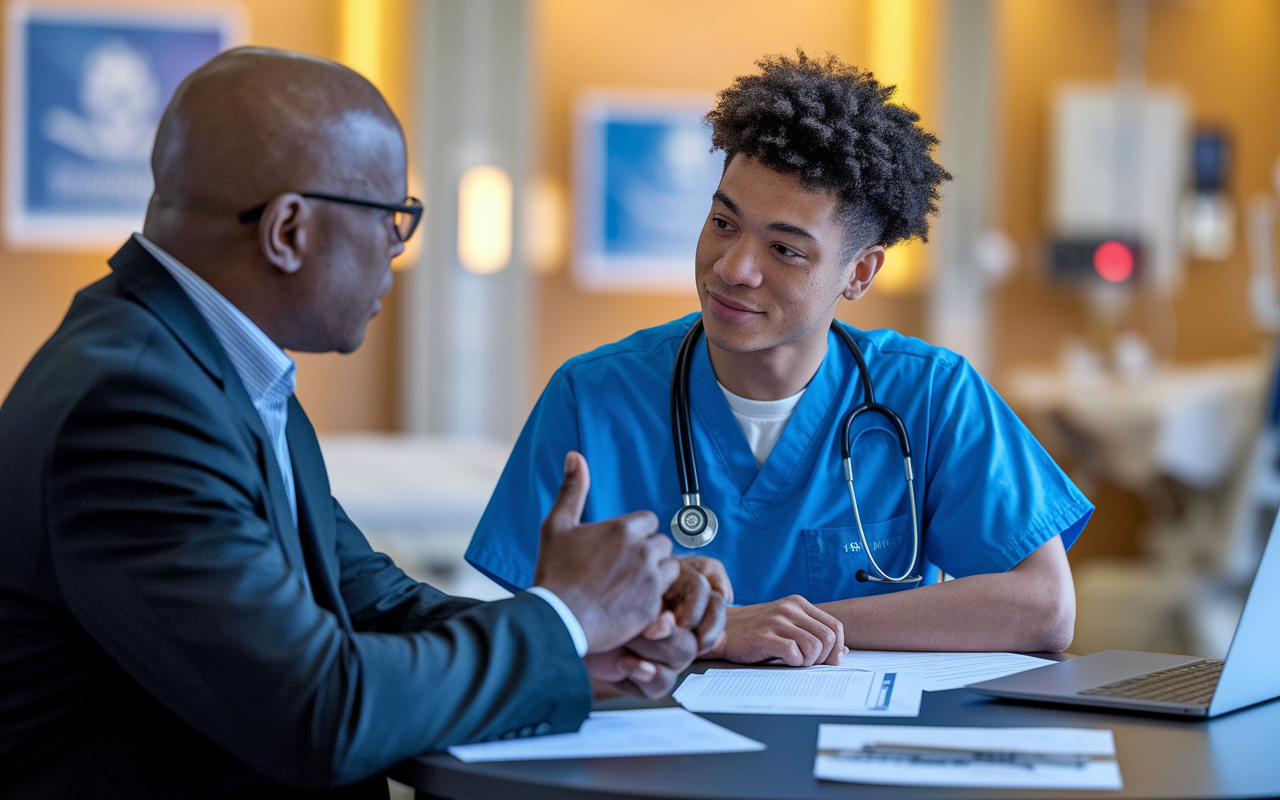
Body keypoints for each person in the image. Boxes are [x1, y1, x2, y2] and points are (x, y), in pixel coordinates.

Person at [0, 48, 727, 799]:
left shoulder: (213, 370)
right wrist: (564, 615)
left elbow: (375, 604)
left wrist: (597, 635)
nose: (396, 249)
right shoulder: (134, 404)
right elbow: (320, 711)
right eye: (394, 217)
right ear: (288, 231)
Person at [466, 51, 1092, 669]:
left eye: (786, 250)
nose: (732, 268)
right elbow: (537, 632)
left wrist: (779, 626)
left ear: (860, 271)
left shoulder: (931, 395)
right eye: (722, 222)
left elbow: (1045, 608)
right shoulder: (593, 397)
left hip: (861, 749)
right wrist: (721, 631)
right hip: (654, 752)